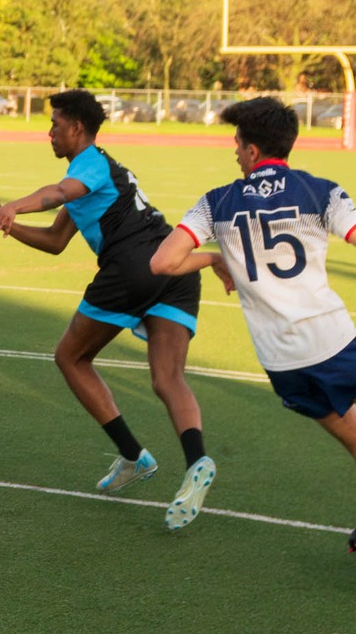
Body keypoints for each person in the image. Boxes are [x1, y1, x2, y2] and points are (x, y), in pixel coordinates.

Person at [0, 88, 216, 530]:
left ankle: (133, 455)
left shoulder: (89, 165)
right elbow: (55, 240)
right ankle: (197, 460)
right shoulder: (99, 175)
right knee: (168, 378)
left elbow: (57, 192)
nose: (50, 133)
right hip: (174, 265)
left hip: (132, 267)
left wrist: (12, 206)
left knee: (70, 357)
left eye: (55, 125)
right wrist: (6, 223)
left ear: (77, 128)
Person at [152, 96, 356, 551]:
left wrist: (213, 258)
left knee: (350, 430)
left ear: (252, 150)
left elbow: (162, 263)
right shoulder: (321, 191)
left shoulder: (215, 202)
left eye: (237, 143)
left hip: (282, 364)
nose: (234, 152)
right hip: (334, 342)